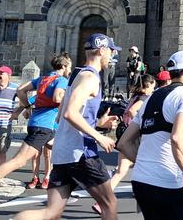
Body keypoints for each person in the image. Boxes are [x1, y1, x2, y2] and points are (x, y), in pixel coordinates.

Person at [10, 34, 121, 220]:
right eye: (111, 51)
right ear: (102, 50)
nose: (112, 56)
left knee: (51, 213)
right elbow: (70, 113)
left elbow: (61, 114)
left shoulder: (76, 76)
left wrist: (98, 123)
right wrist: (99, 136)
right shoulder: (90, 78)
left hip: (63, 153)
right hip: (81, 153)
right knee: (110, 205)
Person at [0, 54, 72, 211]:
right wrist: (70, 99)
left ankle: (64, 191)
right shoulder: (61, 80)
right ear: (63, 66)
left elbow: (21, 90)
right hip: (44, 126)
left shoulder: (42, 79)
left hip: (42, 125)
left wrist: (28, 107)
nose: (70, 69)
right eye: (69, 66)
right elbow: (58, 97)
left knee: (66, 154)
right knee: (18, 161)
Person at [116, 50, 183, 220]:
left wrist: (145, 165)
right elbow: (177, 137)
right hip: (165, 182)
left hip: (141, 181)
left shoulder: (151, 97)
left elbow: (123, 143)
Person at [92, 73, 156, 215]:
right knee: (145, 168)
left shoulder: (134, 97)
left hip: (124, 135)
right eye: (153, 86)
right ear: (149, 85)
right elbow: (132, 111)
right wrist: (139, 122)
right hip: (134, 137)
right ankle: (142, 200)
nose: (153, 88)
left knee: (121, 171)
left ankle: (101, 202)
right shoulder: (144, 98)